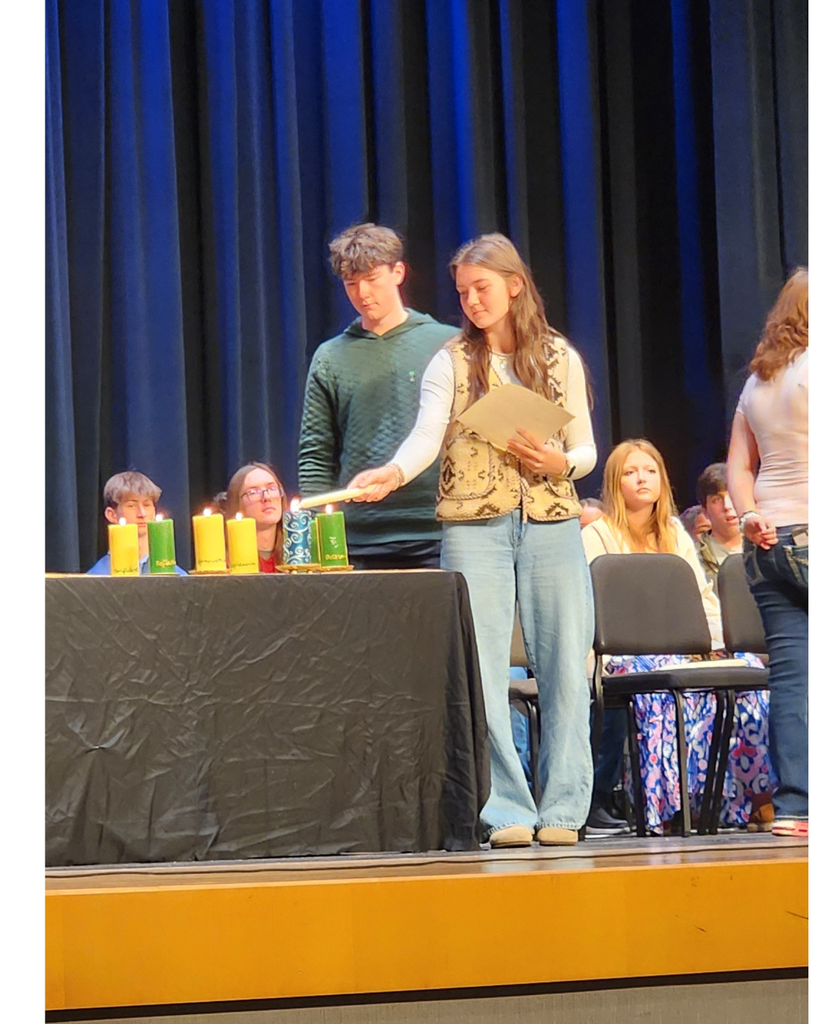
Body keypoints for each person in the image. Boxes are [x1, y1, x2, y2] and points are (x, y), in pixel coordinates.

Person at [349, 233, 597, 848]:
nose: (472, 302)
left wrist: (554, 460)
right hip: (473, 523)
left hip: (550, 518)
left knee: (565, 661)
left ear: (514, 284)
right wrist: (393, 472)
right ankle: (507, 807)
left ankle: (564, 808)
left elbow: (588, 450)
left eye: (481, 289)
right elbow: (425, 436)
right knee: (482, 669)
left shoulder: (559, 357)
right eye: (462, 293)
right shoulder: (453, 360)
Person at [582, 440, 771, 835]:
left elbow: (703, 599)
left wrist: (715, 643)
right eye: (631, 472)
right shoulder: (596, 534)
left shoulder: (673, 532)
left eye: (650, 471)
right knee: (665, 681)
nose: (642, 479)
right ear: (616, 482)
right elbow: (592, 609)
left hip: (683, 650)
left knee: (750, 670)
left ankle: (745, 798)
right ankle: (672, 807)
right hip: (623, 654)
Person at [298, 223, 458, 570]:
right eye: (351, 284)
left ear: (398, 272)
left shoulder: (449, 344)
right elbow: (316, 451)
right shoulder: (331, 356)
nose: (362, 293)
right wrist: (316, 531)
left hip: (439, 530)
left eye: (372, 279)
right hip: (358, 537)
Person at [727, 267, 808, 839]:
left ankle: (798, 807)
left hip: (768, 541)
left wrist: (750, 513)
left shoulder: (759, 379)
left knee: (795, 678)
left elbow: (738, 465)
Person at [87, 471, 187, 575]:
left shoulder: (176, 576)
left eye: (147, 505)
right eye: (131, 506)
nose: (142, 514)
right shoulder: (96, 577)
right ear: (112, 515)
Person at [223, 463, 286, 573]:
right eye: (253, 492)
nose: (267, 497)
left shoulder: (299, 555)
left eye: (272, 488)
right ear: (238, 504)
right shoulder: (224, 564)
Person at [695, 462, 743, 585]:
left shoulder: (764, 549)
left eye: (732, 496)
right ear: (705, 511)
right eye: (716, 500)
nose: (727, 506)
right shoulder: (694, 557)